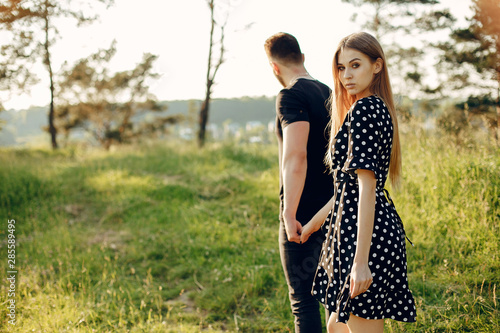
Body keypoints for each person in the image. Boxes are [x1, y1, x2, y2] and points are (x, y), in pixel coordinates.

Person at [300, 32, 417, 333]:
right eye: (341, 68)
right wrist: (316, 221)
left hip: (364, 239)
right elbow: (348, 188)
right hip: (352, 230)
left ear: (377, 66)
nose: (346, 75)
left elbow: (367, 190)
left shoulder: (365, 110)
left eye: (355, 65)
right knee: (337, 327)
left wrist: (360, 262)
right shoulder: (374, 107)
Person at [264, 32, 334, 332]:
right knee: (335, 298)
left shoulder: (290, 96)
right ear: (302, 57)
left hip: (304, 215)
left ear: (274, 68)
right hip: (335, 207)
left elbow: (296, 156)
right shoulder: (330, 92)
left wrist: (289, 213)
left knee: (304, 302)